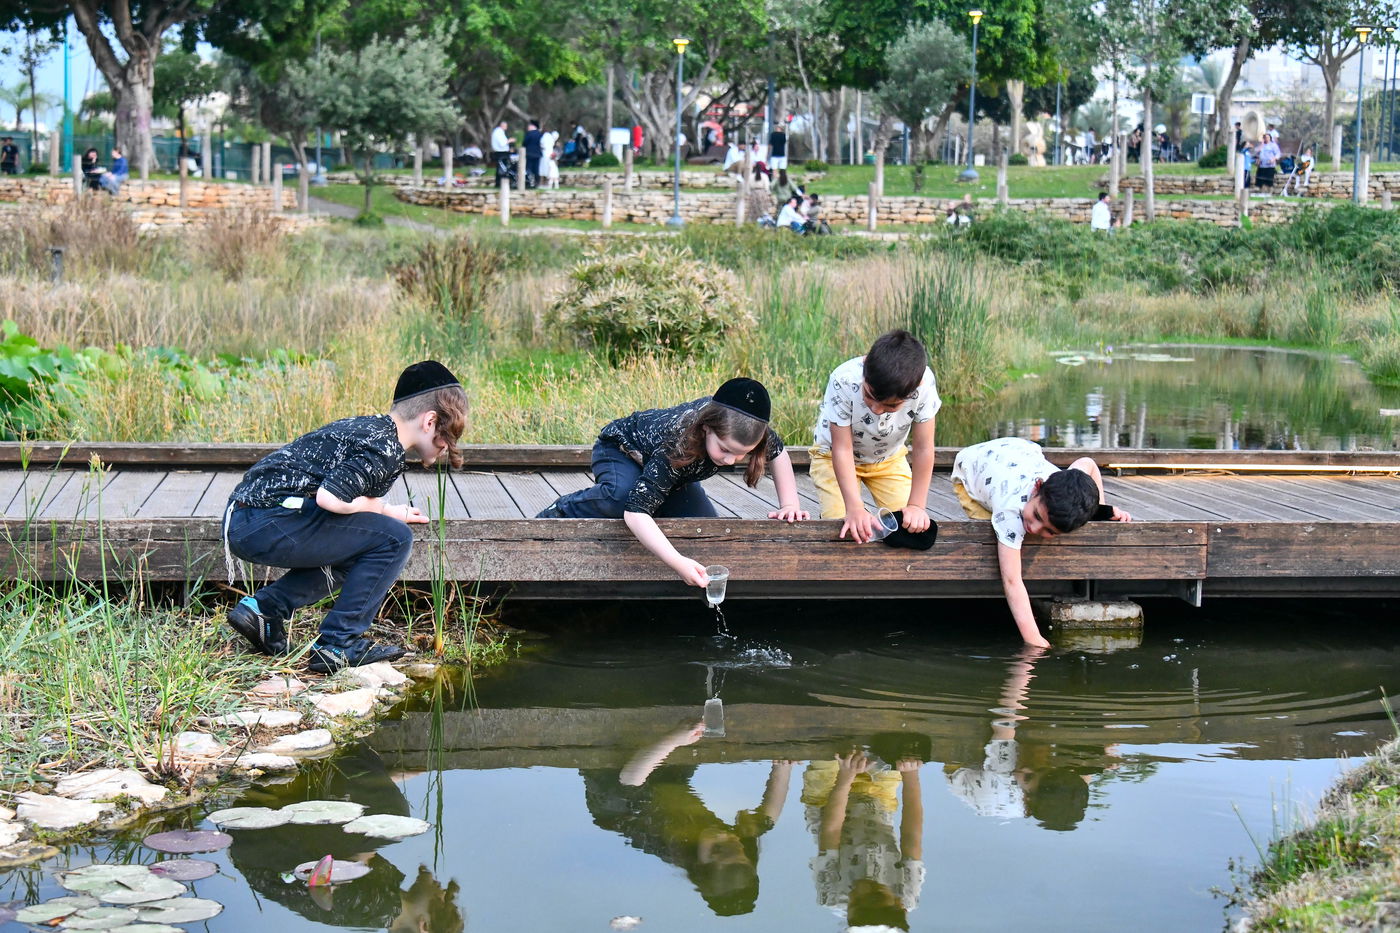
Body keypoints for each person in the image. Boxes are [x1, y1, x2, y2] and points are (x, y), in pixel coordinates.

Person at [224, 360, 469, 673]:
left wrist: (390, 511)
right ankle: (339, 643)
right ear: (430, 421)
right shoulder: (386, 449)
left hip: (251, 517)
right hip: (266, 519)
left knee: (367, 540)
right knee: (394, 539)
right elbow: (330, 498)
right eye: (450, 435)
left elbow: (347, 498)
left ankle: (265, 610)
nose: (450, 447)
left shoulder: (373, 431)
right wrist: (384, 512)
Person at [534, 378, 808, 587]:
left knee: (704, 531)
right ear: (706, 428)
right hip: (623, 451)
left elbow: (779, 453)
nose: (730, 460)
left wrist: (790, 503)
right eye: (724, 450)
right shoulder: (677, 440)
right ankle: (563, 510)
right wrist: (677, 562)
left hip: (675, 474)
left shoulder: (749, 429)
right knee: (621, 498)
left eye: (742, 453)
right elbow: (636, 512)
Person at [950, 437, 1132, 647]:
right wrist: (1034, 639)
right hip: (970, 465)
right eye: (1037, 515)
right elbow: (1012, 580)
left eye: (1049, 531)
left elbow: (1088, 463)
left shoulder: (1059, 482)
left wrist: (1098, 509)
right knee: (991, 527)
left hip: (1018, 450)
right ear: (1038, 487)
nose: (1035, 528)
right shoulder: (1009, 510)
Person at [810, 330, 938, 545]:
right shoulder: (843, 379)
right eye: (869, 395)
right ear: (865, 369)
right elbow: (842, 449)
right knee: (843, 527)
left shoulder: (924, 385)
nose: (877, 409)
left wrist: (916, 505)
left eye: (890, 406)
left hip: (888, 459)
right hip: (833, 457)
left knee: (909, 527)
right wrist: (855, 508)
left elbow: (924, 448)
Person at [523, 120, 543, 188]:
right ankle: (537, 182)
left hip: (529, 154)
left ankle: (529, 182)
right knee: (536, 169)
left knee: (529, 168)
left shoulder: (529, 134)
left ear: (532, 126)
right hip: (537, 154)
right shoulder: (540, 134)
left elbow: (524, 143)